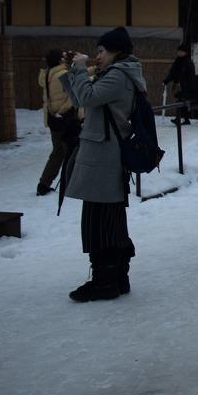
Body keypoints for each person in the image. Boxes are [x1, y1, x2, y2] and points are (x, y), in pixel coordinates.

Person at [59, 27, 143, 302]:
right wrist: (73, 71)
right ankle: (116, 278)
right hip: (102, 154)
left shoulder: (119, 75)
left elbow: (87, 98)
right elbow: (81, 100)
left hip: (104, 157)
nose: (97, 56)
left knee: (100, 222)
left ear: (116, 51)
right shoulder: (115, 73)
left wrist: (80, 69)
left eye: (101, 51)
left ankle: (105, 281)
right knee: (107, 219)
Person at [37, 49, 80, 196]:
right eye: (63, 56)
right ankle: (70, 184)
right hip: (66, 119)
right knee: (72, 151)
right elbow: (75, 91)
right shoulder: (62, 74)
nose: (65, 58)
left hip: (53, 118)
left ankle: (44, 183)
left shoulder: (47, 74)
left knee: (58, 152)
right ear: (59, 60)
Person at [164, 43, 195, 125]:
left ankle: (179, 118)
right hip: (180, 84)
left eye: (181, 51)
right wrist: (167, 80)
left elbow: (189, 75)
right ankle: (185, 119)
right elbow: (173, 72)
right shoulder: (178, 61)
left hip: (187, 85)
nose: (179, 53)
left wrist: (188, 86)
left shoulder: (188, 62)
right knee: (181, 100)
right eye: (178, 51)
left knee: (181, 100)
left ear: (185, 52)